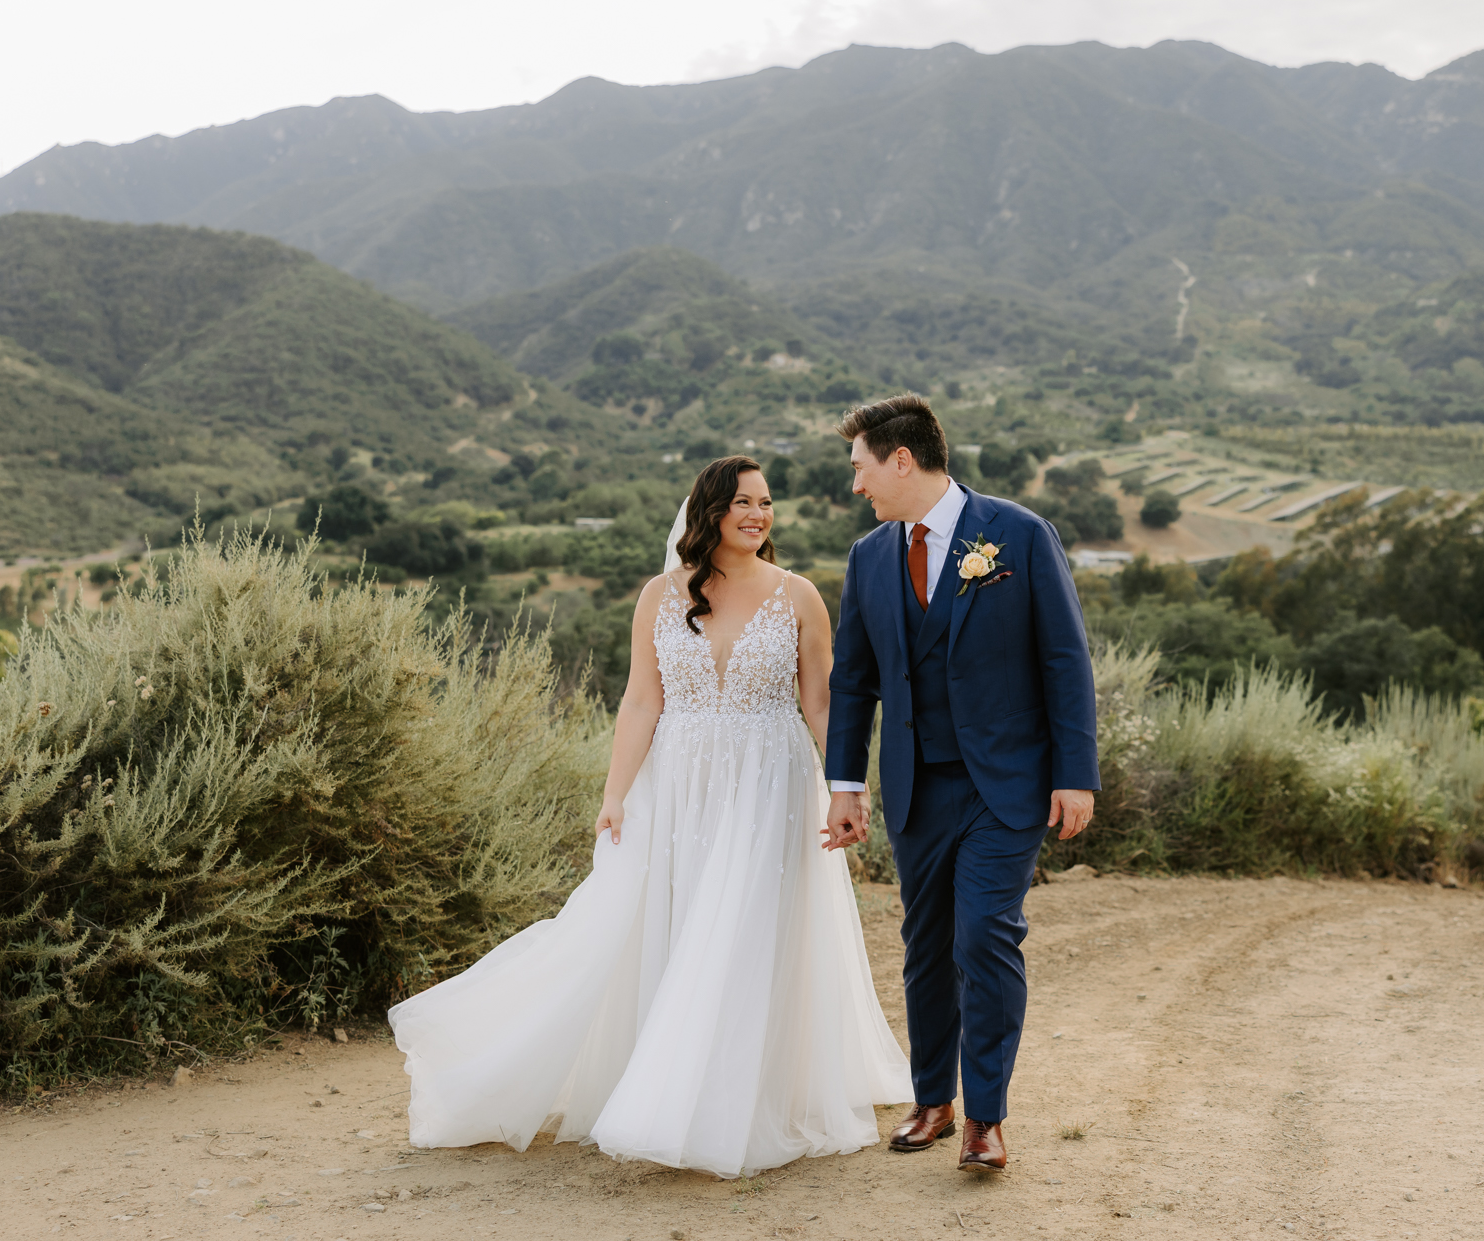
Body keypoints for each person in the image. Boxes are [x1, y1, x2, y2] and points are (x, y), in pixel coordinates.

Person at [388, 456, 910, 1179]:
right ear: (709, 512)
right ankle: (665, 1081)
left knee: (748, 928)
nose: (758, 515)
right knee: (683, 919)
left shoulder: (800, 598)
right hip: (679, 784)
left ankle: (736, 1098)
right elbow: (640, 701)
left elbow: (820, 702)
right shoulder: (659, 596)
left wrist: (845, 788)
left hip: (771, 782)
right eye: (742, 503)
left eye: (766, 503)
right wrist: (614, 795)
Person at [822, 395, 1099, 1174]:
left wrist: (1076, 775)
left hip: (1006, 785)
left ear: (901, 459)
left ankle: (986, 1116)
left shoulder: (1018, 534)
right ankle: (932, 1102)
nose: (857, 486)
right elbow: (854, 683)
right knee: (925, 946)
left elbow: (1064, 660)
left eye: (861, 467)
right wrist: (846, 784)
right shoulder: (869, 557)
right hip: (915, 785)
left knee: (984, 935)